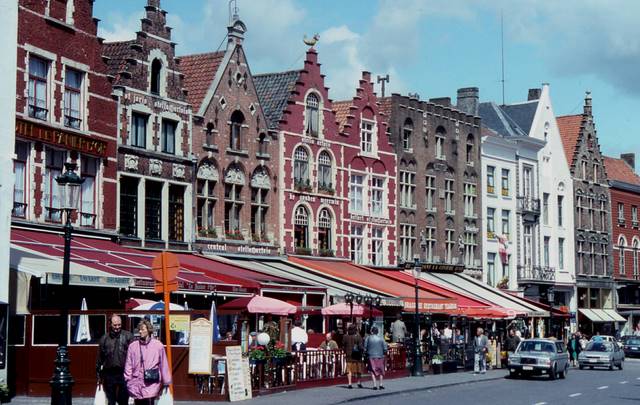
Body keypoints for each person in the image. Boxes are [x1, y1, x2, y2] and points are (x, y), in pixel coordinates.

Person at [124, 320, 172, 405]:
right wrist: (128, 379)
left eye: (142, 329)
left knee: (149, 402)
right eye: (139, 329)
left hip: (151, 382)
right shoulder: (133, 346)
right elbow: (129, 363)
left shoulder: (158, 346)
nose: (140, 331)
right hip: (136, 382)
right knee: (138, 402)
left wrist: (166, 381)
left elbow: (163, 364)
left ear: (149, 330)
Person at [96, 315, 134, 405]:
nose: (117, 327)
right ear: (110, 324)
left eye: (119, 325)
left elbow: (133, 355)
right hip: (109, 372)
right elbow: (100, 358)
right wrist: (98, 375)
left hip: (124, 372)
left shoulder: (128, 336)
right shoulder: (104, 338)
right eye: (115, 325)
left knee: (123, 399)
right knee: (111, 400)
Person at [364, 326, 388, 390]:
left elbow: (365, 347)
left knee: (372, 370)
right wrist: (384, 352)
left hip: (371, 356)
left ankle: (374, 385)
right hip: (380, 356)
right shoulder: (381, 338)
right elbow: (385, 348)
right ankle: (381, 384)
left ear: (372, 331)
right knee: (380, 370)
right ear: (377, 332)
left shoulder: (368, 338)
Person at [343, 324, 364, 389]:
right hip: (357, 356)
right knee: (358, 370)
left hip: (349, 355)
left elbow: (343, 345)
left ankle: (349, 383)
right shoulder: (358, 336)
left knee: (349, 370)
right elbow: (361, 347)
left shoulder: (345, 336)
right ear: (355, 329)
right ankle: (359, 382)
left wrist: (345, 351)